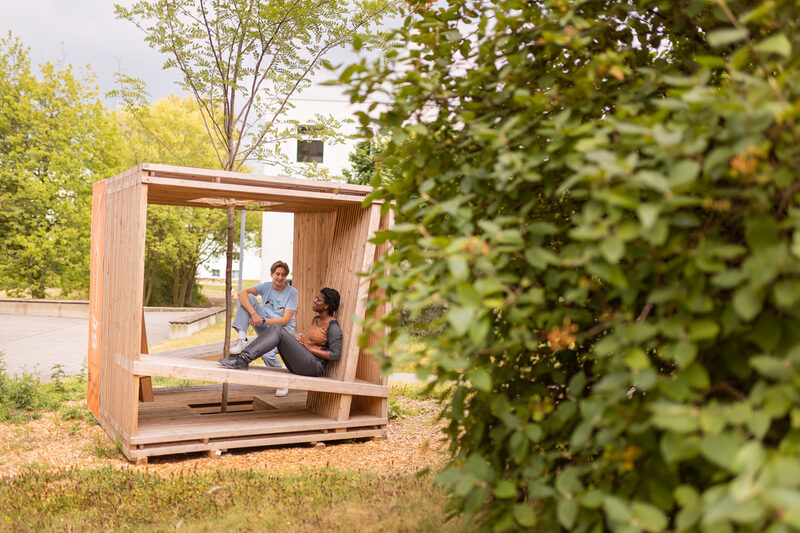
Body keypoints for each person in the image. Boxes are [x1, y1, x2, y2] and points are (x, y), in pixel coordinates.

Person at [219, 288, 342, 376]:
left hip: (313, 367)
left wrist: (309, 348)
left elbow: (335, 355)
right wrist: (297, 340)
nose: (314, 301)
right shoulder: (316, 320)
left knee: (277, 328)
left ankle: (243, 359)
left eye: (318, 300)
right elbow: (313, 341)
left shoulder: (333, 327)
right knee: (278, 330)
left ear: (326, 306)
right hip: (302, 361)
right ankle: (242, 358)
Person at [230, 260, 298, 396]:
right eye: (277, 274)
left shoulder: (292, 293)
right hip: (264, 326)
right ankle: (241, 339)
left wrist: (262, 320)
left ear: (286, 277)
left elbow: (285, 320)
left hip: (282, 332)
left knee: (266, 352)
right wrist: (254, 314)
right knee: (247, 297)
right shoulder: (266, 286)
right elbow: (241, 294)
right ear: (271, 274)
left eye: (283, 275)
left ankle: (282, 382)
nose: (280, 277)